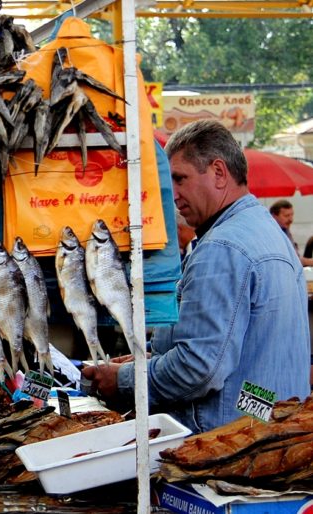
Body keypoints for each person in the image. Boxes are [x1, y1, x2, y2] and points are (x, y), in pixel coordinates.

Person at [82, 120, 311, 434]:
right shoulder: (263, 229)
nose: (173, 195)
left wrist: (123, 380)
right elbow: (227, 345)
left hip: (225, 443)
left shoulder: (222, 247)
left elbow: (199, 369)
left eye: (179, 179)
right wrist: (144, 363)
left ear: (218, 172)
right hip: (261, 426)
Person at [270, 199, 313, 267]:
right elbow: (288, 259)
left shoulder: (285, 229)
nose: (291, 219)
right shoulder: (272, 234)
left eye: (292, 215)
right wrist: (308, 261)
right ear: (274, 216)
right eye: (286, 216)